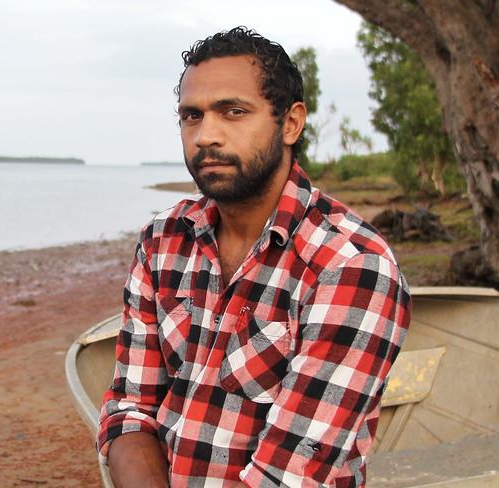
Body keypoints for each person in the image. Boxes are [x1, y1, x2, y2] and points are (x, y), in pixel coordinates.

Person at [97, 27, 411, 488]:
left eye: (233, 112)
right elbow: (130, 409)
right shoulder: (163, 241)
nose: (206, 135)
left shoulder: (352, 266)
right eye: (191, 116)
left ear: (291, 123)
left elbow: (287, 476)